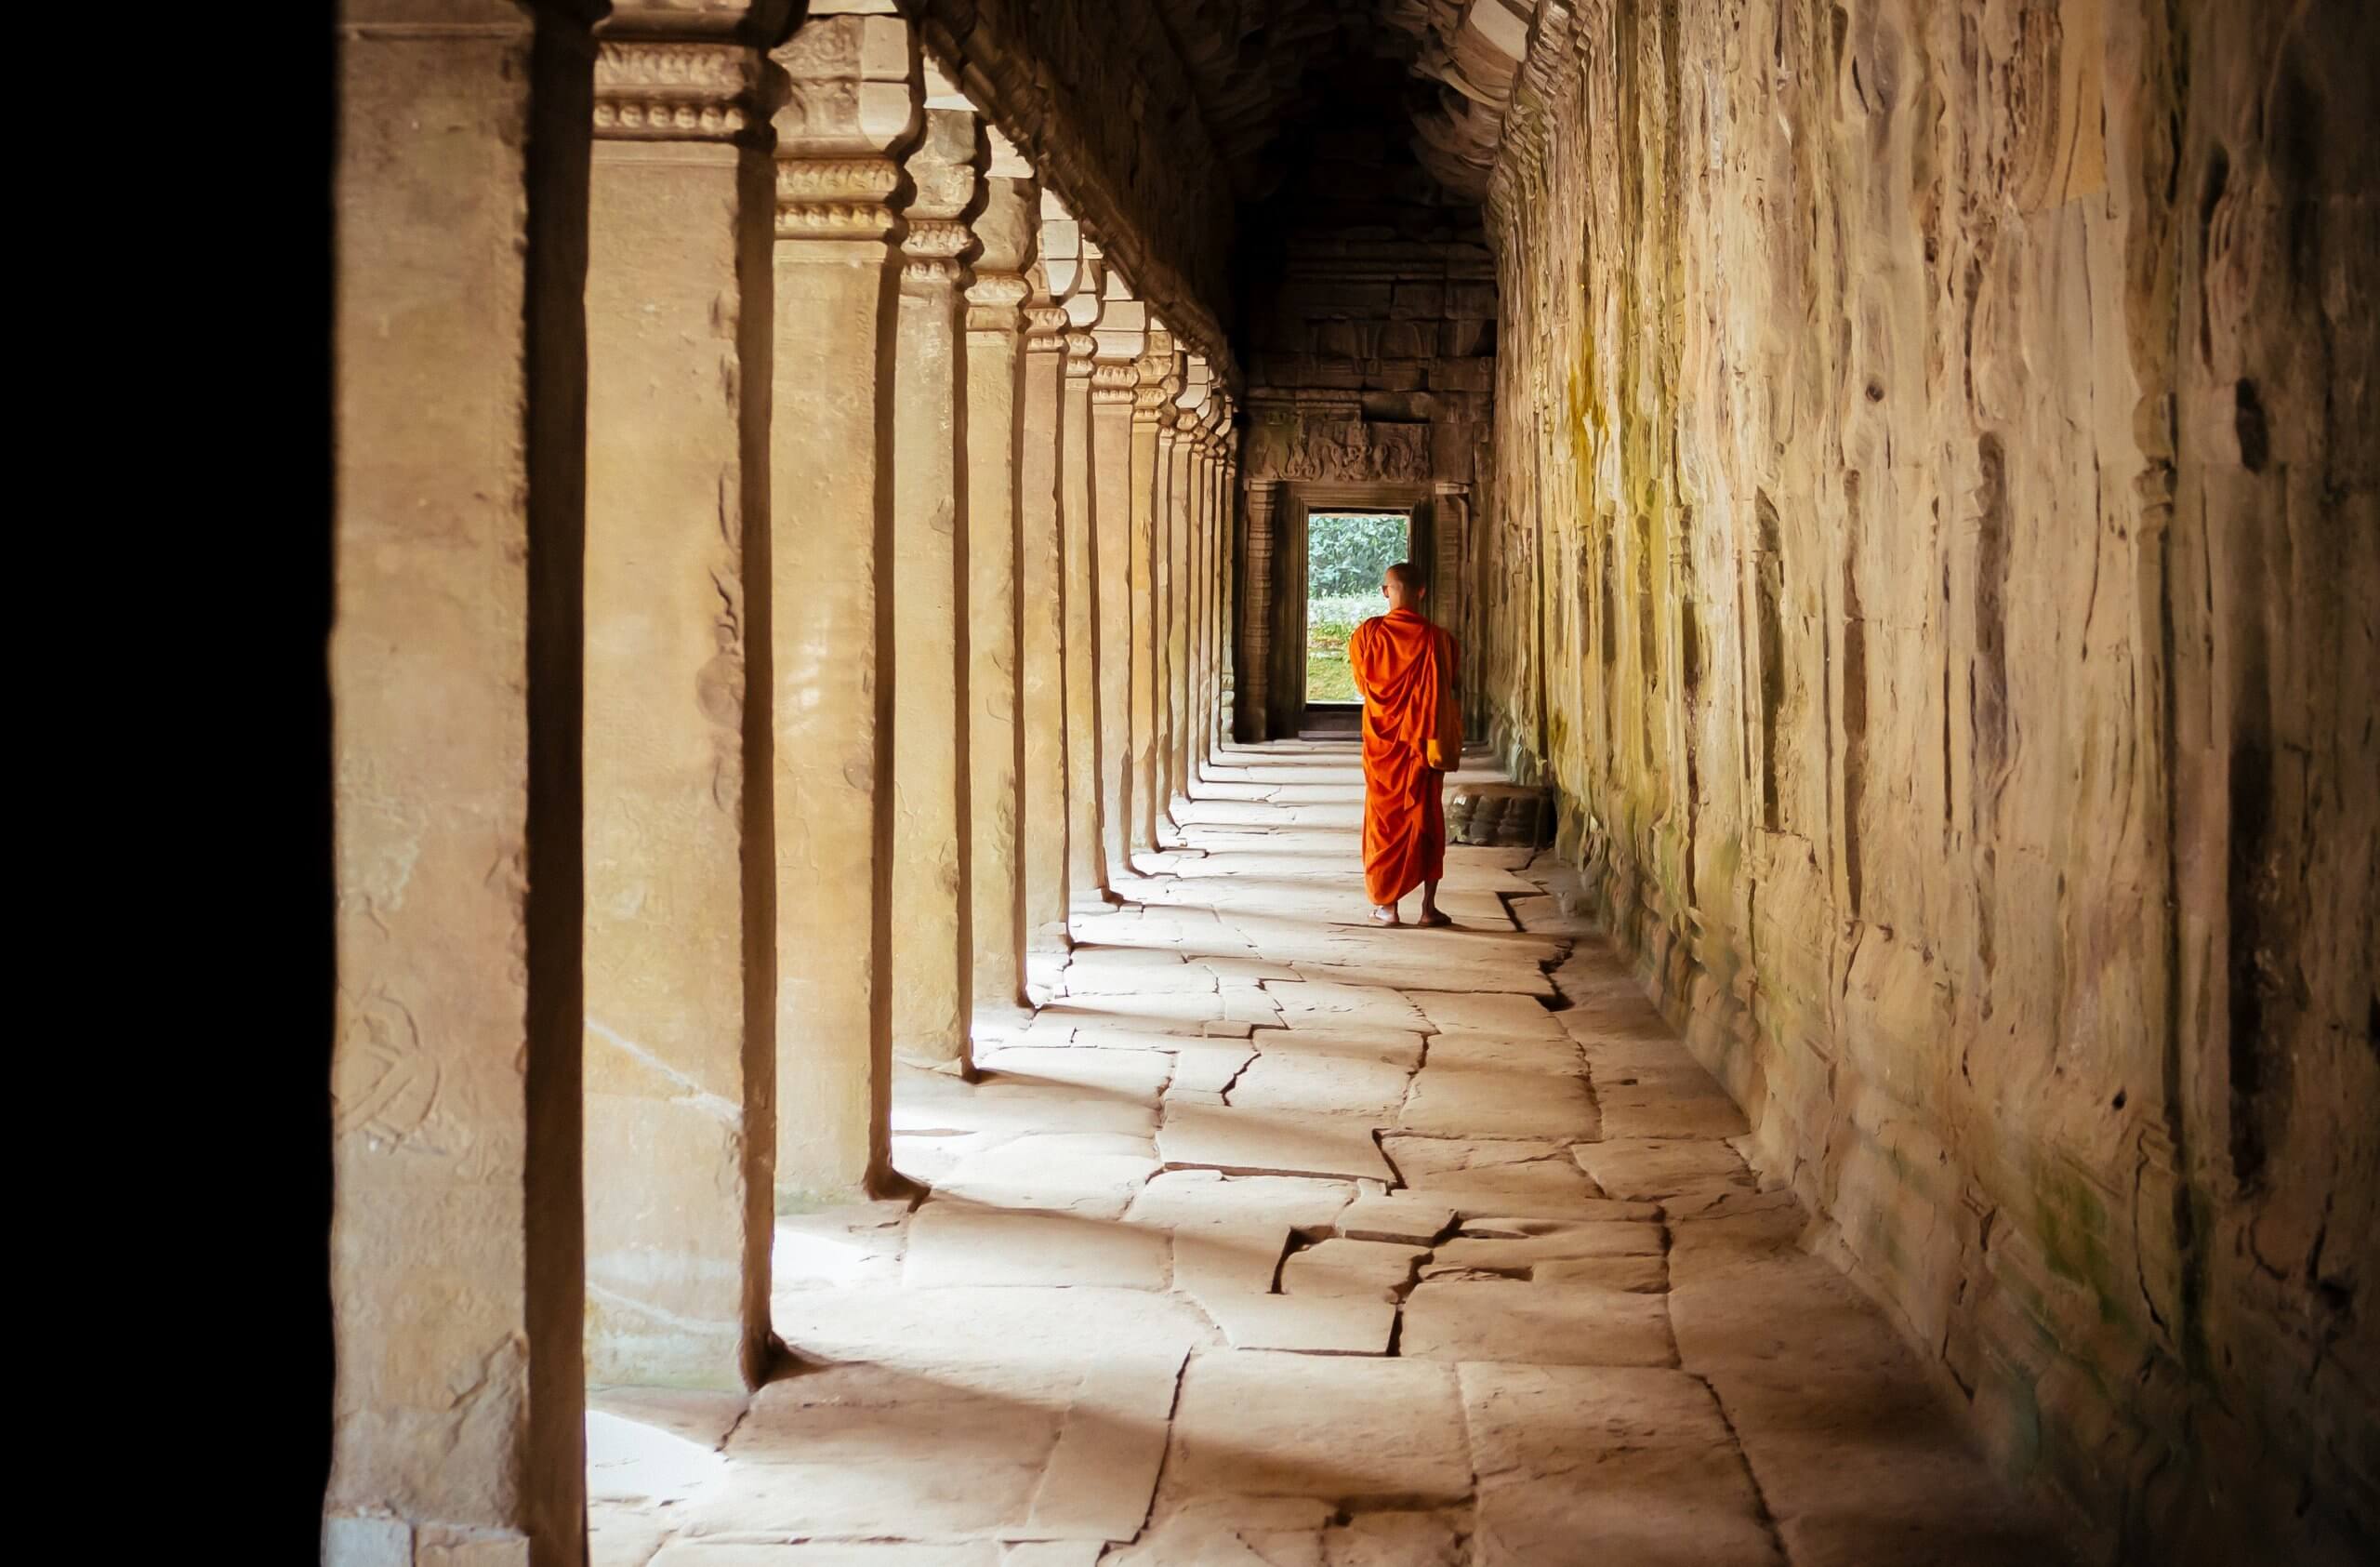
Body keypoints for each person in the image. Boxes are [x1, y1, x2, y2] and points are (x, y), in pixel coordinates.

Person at [1347, 561, 1459, 926]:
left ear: (1385, 592)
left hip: (1383, 750)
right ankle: (1428, 909)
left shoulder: (1368, 635)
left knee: (1384, 822)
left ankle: (1388, 907)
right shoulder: (1439, 639)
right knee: (1426, 821)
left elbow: (1364, 685)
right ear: (1422, 591)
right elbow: (1450, 684)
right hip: (1420, 748)